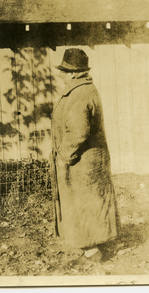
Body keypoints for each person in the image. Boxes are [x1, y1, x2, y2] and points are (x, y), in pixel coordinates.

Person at [50, 48, 120, 261]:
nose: (60, 74)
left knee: (84, 203)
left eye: (63, 70)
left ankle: (92, 250)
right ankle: (91, 243)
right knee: (88, 202)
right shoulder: (80, 90)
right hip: (85, 162)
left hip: (81, 162)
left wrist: (63, 157)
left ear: (73, 73)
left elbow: (79, 132)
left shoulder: (79, 93)